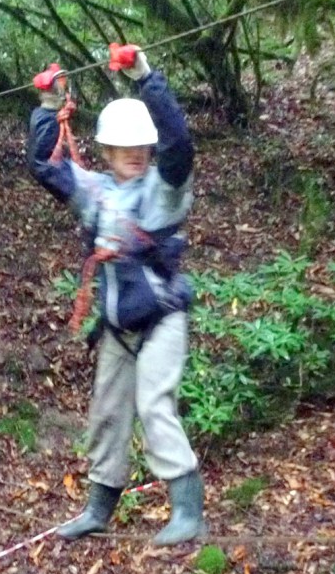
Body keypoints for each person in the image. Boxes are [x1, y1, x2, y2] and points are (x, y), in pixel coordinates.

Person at [27, 45, 206, 546]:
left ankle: (188, 512)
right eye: (124, 147)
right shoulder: (95, 191)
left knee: (154, 404)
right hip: (117, 327)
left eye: (141, 147)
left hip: (162, 318)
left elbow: (179, 144)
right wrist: (48, 106)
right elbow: (44, 165)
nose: (135, 154)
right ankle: (98, 509)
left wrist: (146, 77)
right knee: (107, 415)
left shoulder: (165, 188)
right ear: (106, 151)